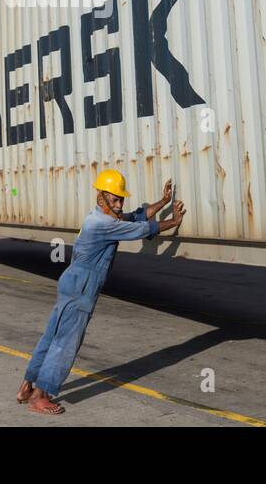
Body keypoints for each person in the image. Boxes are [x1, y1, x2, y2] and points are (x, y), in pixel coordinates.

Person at [17, 171, 185, 416]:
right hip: (83, 285)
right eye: (114, 200)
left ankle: (26, 386)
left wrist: (162, 202)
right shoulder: (103, 224)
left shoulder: (101, 216)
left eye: (120, 199)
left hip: (72, 281)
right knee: (66, 342)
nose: (119, 205)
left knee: (52, 335)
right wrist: (174, 221)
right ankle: (41, 396)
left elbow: (135, 217)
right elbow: (140, 229)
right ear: (101, 198)